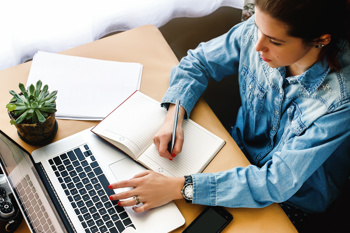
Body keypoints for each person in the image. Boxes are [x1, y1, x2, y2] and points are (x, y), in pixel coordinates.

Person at [109, 0, 350, 230]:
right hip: (235, 151)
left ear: (320, 40)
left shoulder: (341, 99)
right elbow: (199, 62)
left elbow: (277, 182)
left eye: (275, 42)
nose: (257, 46)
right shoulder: (261, 30)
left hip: (291, 199)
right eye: (257, 27)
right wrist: (174, 116)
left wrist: (181, 188)